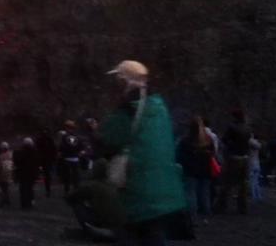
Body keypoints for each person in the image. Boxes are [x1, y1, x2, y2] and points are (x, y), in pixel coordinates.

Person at [99, 60, 186, 246]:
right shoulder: (159, 107)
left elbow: (107, 141)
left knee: (129, 235)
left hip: (137, 192)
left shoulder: (127, 110)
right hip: (164, 192)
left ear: (124, 81)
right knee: (155, 237)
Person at [64, 159, 125, 242]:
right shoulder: (112, 185)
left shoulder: (92, 186)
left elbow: (71, 197)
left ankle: (89, 229)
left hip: (104, 225)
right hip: (119, 227)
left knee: (77, 203)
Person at [176, 117, 215, 223]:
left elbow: (180, 156)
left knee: (191, 193)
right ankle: (206, 216)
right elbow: (212, 154)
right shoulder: (208, 140)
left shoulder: (185, 140)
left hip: (191, 170)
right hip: (205, 170)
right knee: (205, 193)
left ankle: (193, 217)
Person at [214, 109, 251, 214]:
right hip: (245, 157)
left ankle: (221, 205)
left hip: (233, 158)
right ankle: (242, 207)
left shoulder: (232, 127)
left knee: (227, 182)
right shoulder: (247, 128)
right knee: (243, 184)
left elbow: (224, 140)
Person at [59, 120, 82, 195]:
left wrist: (61, 153)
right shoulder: (77, 137)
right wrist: (79, 152)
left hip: (67, 158)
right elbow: (80, 147)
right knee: (76, 177)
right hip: (75, 158)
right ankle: (76, 190)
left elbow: (61, 147)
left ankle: (67, 191)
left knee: (67, 177)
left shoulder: (64, 137)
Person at [14, 137, 38, 209]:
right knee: (30, 189)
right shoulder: (35, 152)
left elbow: (17, 161)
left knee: (23, 189)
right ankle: (30, 203)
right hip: (31, 174)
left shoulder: (21, 152)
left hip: (23, 173)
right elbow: (37, 163)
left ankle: (24, 204)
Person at [34, 129, 56, 198]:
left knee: (46, 175)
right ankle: (48, 189)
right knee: (47, 174)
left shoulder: (42, 140)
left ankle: (48, 190)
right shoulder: (48, 140)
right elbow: (54, 149)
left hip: (44, 160)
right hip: (46, 159)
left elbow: (36, 149)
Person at [0, 142, 14, 207]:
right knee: (6, 188)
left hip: (2, 174)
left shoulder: (0, 156)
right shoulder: (11, 155)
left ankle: (3, 201)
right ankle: (7, 200)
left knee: (3, 188)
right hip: (9, 174)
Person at [249, 133, 263, 202]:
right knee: (256, 181)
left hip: (251, 163)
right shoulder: (257, 143)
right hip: (257, 163)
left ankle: (254, 196)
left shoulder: (249, 142)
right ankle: (259, 196)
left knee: (252, 181)